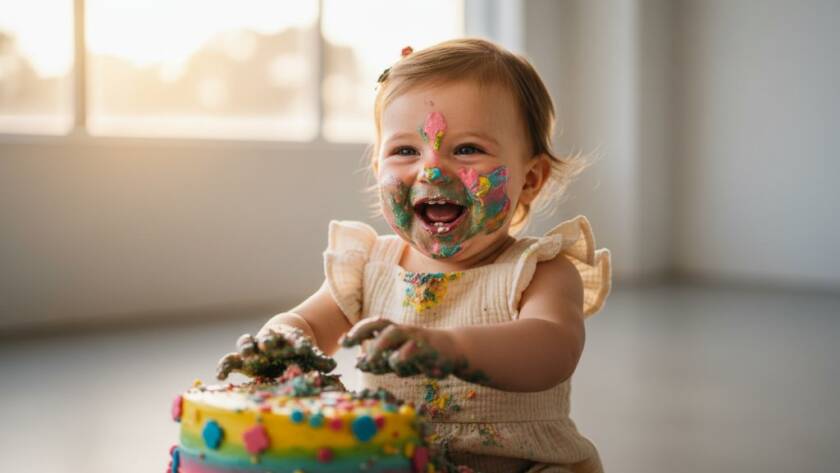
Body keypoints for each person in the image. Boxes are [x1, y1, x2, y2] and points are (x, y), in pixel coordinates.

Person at [225, 38, 612, 473]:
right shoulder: (369, 268)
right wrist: (282, 342)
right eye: (405, 150)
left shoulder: (539, 270)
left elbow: (551, 352)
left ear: (531, 178)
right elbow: (310, 323)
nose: (430, 170)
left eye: (467, 149)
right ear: (377, 170)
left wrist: (447, 347)